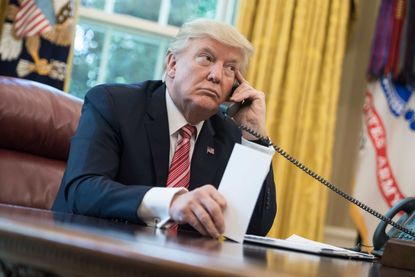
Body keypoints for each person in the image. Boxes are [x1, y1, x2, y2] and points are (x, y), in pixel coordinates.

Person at [52, 19, 276, 239]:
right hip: (94, 252)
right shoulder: (113, 104)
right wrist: (171, 202)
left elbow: (253, 228)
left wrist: (254, 139)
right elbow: (83, 190)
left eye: (230, 69)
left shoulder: (227, 132)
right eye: (206, 58)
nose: (216, 76)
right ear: (172, 64)